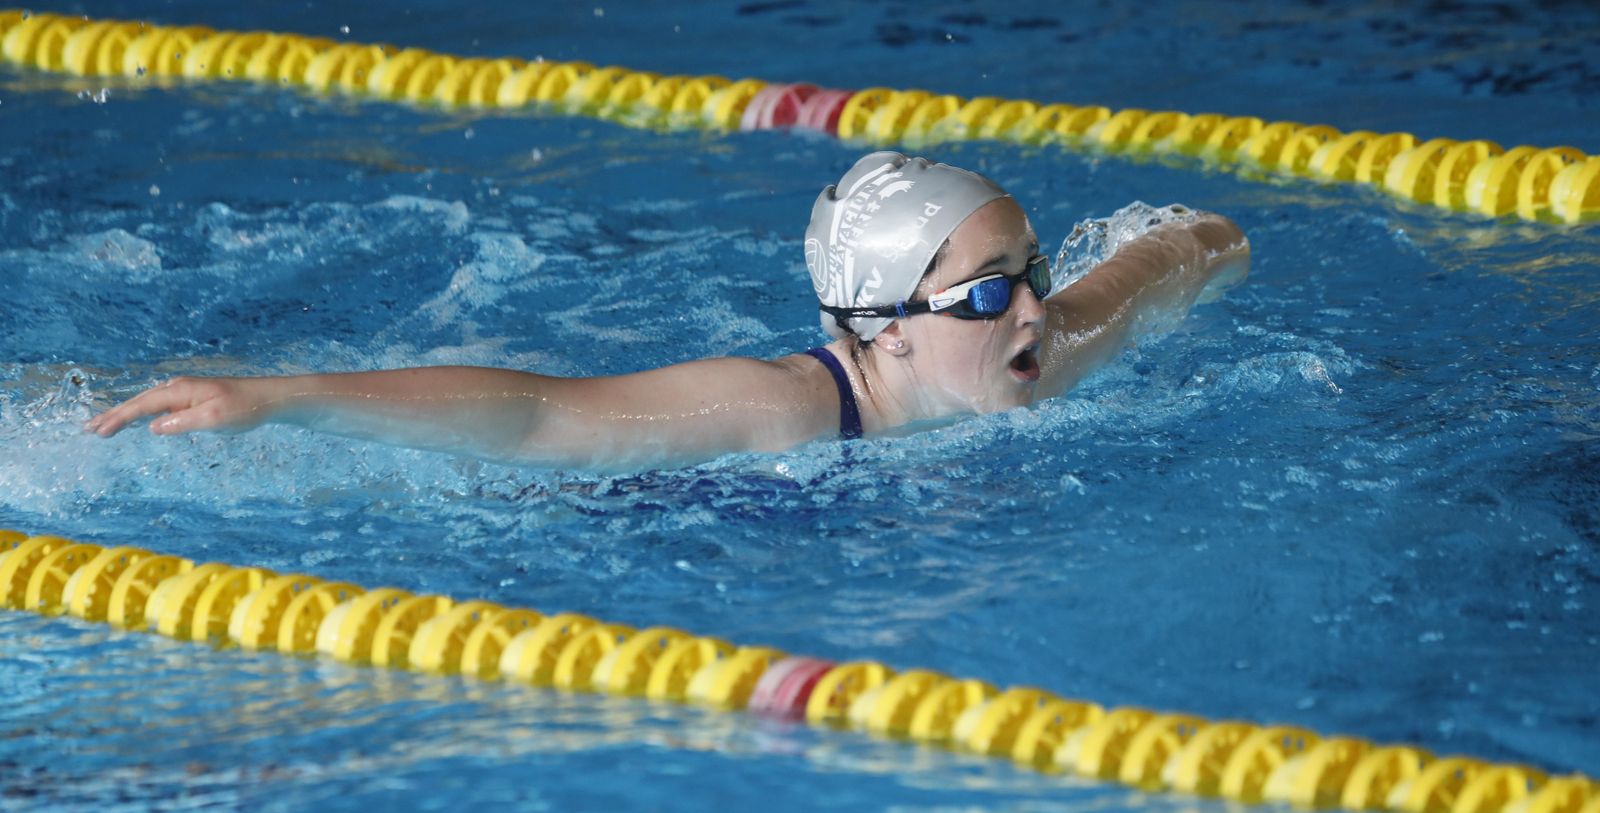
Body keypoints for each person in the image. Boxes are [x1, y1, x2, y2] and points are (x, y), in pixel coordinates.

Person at [86, 151, 1250, 470]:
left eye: (1035, 269)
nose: (1034, 307)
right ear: (884, 325)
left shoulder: (1045, 349)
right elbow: (539, 417)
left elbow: (1190, 246)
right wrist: (278, 396)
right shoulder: (784, 409)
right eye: (991, 291)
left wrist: (1210, 242)